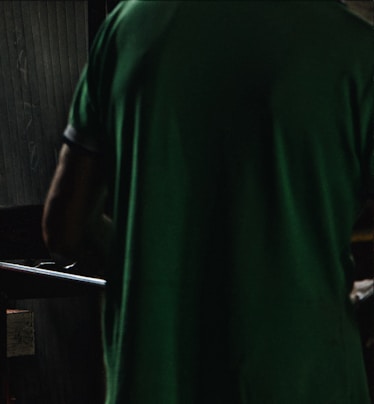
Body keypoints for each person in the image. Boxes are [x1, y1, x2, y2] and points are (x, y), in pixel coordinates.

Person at [42, 1, 374, 403]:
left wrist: (153, 263)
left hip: (152, 380)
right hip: (302, 377)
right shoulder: (354, 48)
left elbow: (63, 227)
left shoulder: (127, 26)